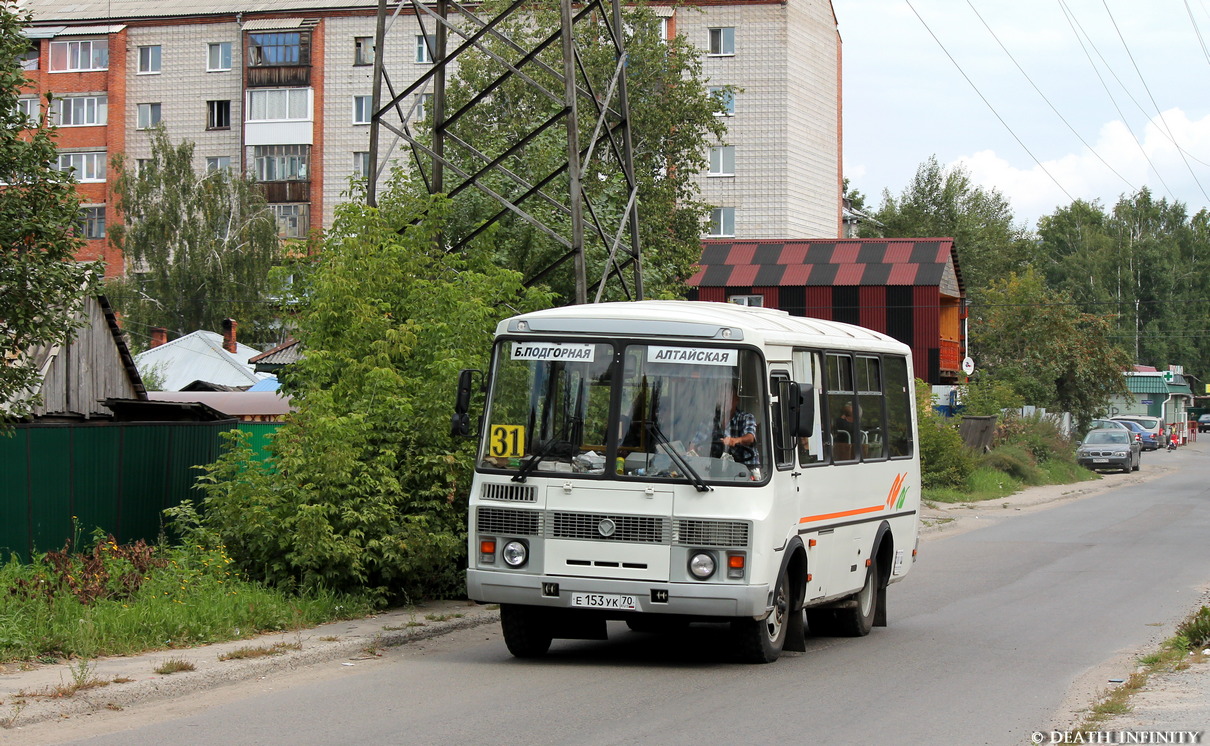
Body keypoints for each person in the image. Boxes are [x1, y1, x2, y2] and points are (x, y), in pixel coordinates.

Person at [691, 384, 759, 472]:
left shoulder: (747, 417)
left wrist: (735, 440)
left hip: (746, 470)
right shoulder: (710, 420)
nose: (724, 401)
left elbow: (750, 438)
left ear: (737, 399)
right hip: (717, 470)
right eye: (722, 398)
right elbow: (695, 442)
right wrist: (691, 451)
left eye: (728, 398)